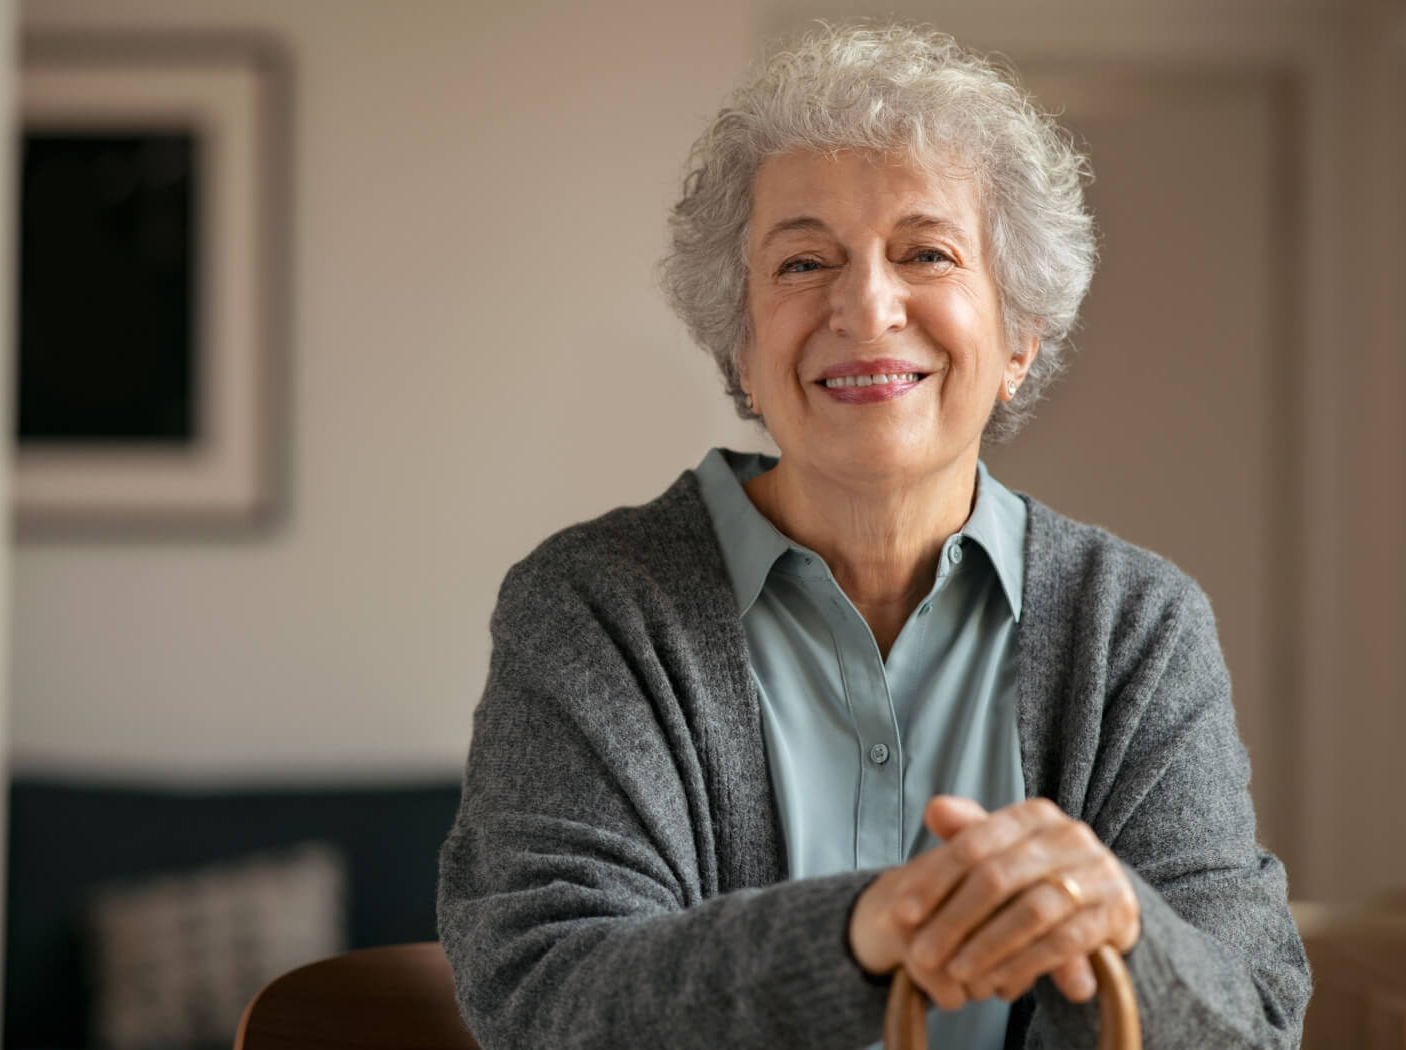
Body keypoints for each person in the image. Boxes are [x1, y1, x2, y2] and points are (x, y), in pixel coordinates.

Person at [437, 22, 1310, 1050]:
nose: (864, 306)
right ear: (741, 348)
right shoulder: (591, 607)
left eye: (926, 253)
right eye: (804, 262)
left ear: (1019, 337)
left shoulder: (1136, 627)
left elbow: (1251, 1023)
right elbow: (545, 997)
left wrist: (1122, 930)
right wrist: (859, 935)